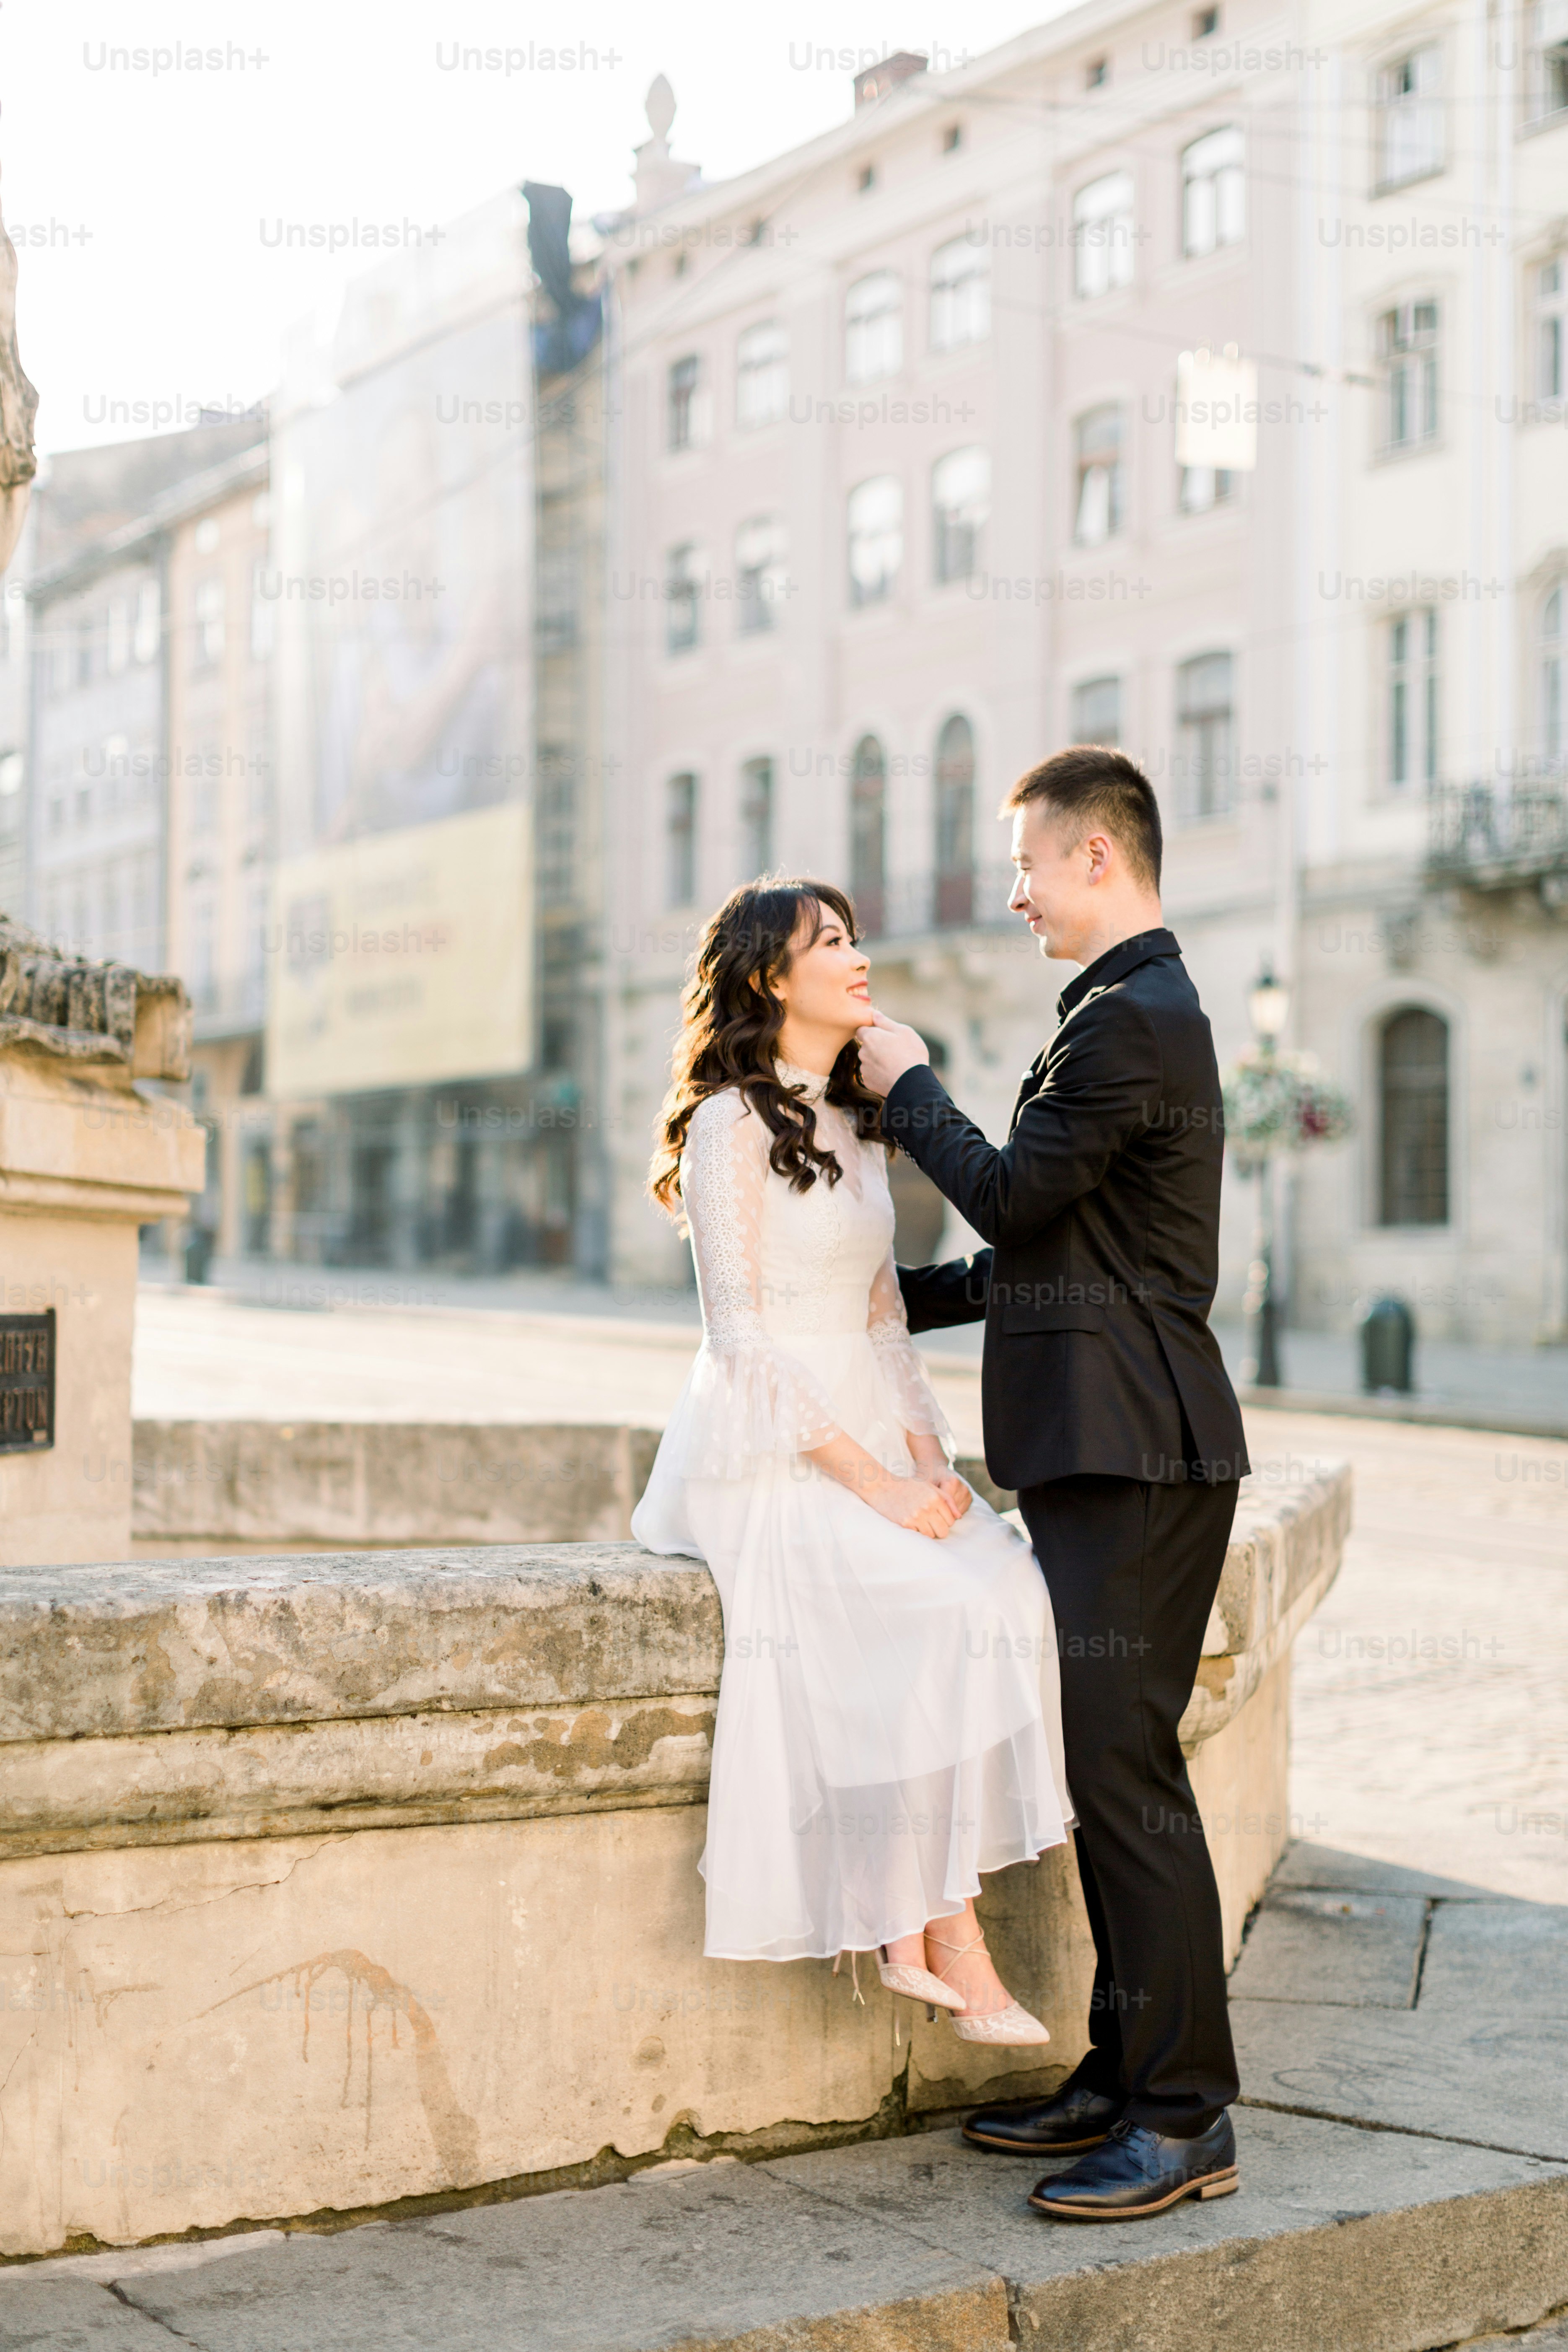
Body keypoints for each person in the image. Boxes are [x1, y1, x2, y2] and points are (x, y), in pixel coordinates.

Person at [855, 745, 1249, 2222]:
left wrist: (907, 1088)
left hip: (1136, 1454)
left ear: (1099, 857)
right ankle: (1121, 2068)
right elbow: (1047, 1248)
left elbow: (1017, 1192)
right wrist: (885, 1302)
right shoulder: (1124, 1013)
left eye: (1027, 863)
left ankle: (1184, 2114)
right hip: (1112, 1448)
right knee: (1109, 1776)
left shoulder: (1138, 1020)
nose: (1011, 892)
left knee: (1127, 1782)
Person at [632, 878, 1072, 2037]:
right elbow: (739, 1341)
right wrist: (872, 1484)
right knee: (927, 1608)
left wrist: (933, 1464)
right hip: (768, 1448)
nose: (858, 955)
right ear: (772, 978)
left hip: (872, 1419)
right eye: (831, 942)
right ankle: (942, 1926)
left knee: (1005, 1590)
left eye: (857, 935)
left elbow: (883, 1321)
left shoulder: (858, 1118)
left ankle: (913, 1913)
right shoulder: (732, 1123)